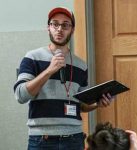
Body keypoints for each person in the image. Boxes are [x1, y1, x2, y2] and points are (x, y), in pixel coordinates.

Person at [14, 7, 113, 150]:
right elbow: (20, 95)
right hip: (42, 139)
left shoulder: (81, 65)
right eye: (55, 24)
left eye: (65, 25)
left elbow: (82, 105)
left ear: (72, 30)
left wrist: (98, 103)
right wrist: (49, 70)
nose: (59, 29)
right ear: (48, 28)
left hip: (74, 138)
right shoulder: (32, 57)